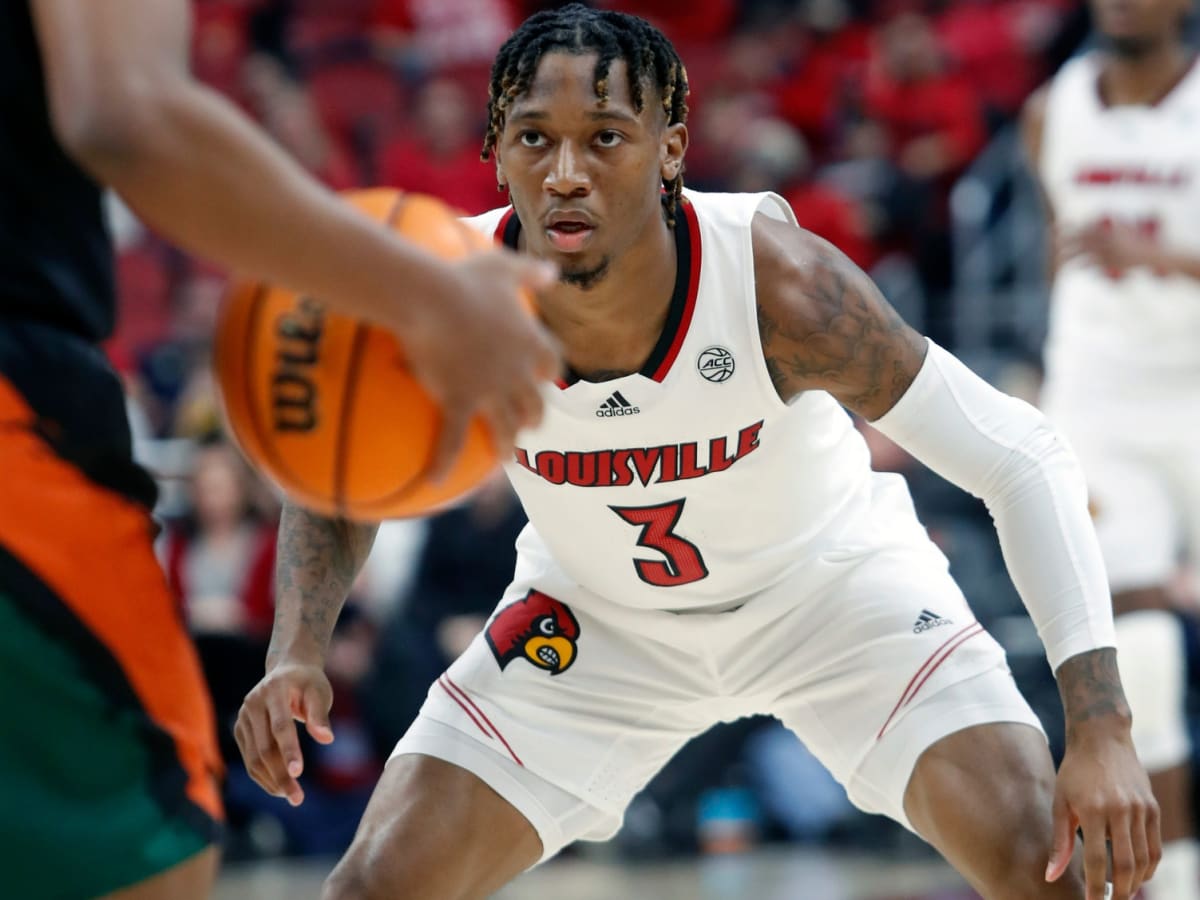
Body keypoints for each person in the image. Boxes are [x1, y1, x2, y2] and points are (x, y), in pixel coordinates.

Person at [238, 6, 1161, 899]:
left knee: (1050, 872)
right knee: (372, 888)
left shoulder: (782, 287)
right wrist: (295, 650)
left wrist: (1103, 726)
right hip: (593, 620)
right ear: (494, 152)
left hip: (834, 595)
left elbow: (1021, 455)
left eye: (604, 137)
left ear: (670, 150)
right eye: (532, 139)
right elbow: (334, 470)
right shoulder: (444, 293)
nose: (565, 172)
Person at [0, 0, 560, 896]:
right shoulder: (464, 267)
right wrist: (425, 297)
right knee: (150, 852)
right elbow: (126, 111)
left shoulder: (737, 254)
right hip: (16, 413)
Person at [1023, 1, 1200, 897]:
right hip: (1099, 398)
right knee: (1137, 640)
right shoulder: (1053, 108)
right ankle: (1169, 880)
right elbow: (1062, 250)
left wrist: (1164, 258)